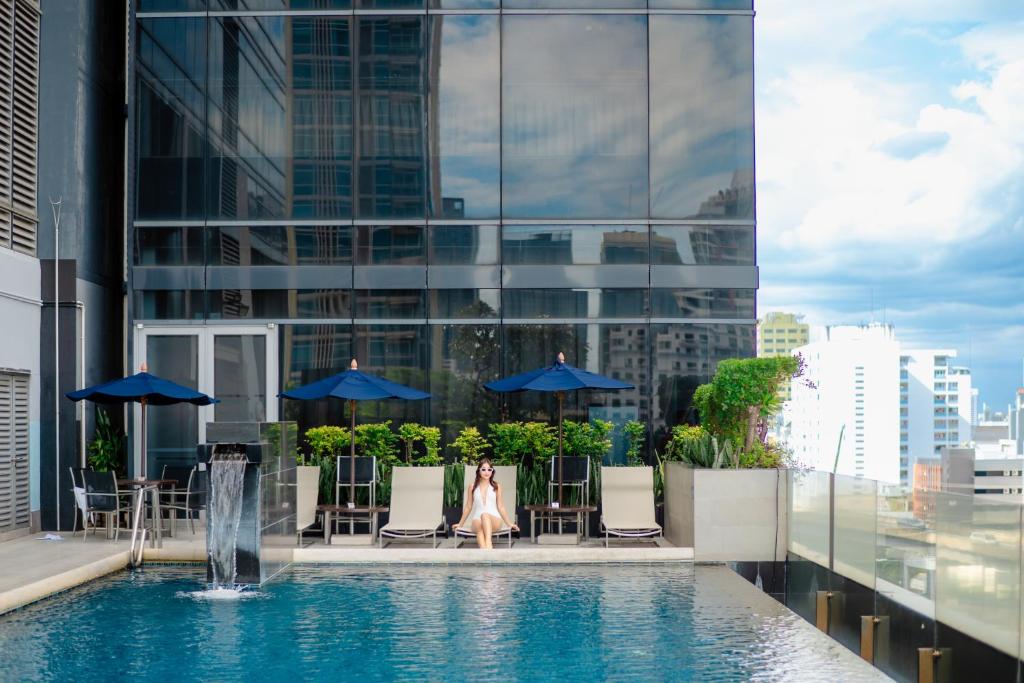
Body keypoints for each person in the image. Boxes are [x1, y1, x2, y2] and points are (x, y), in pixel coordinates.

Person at [453, 458, 519, 549]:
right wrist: (460, 524)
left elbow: (501, 506)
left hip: (494, 519)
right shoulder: (472, 487)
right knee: (480, 528)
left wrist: (509, 524)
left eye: (489, 469)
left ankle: (488, 542)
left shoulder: (496, 486)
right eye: (483, 469)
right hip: (477, 520)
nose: (486, 472)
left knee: (484, 515)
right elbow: (468, 506)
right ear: (479, 471)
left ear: (492, 471)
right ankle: (487, 550)